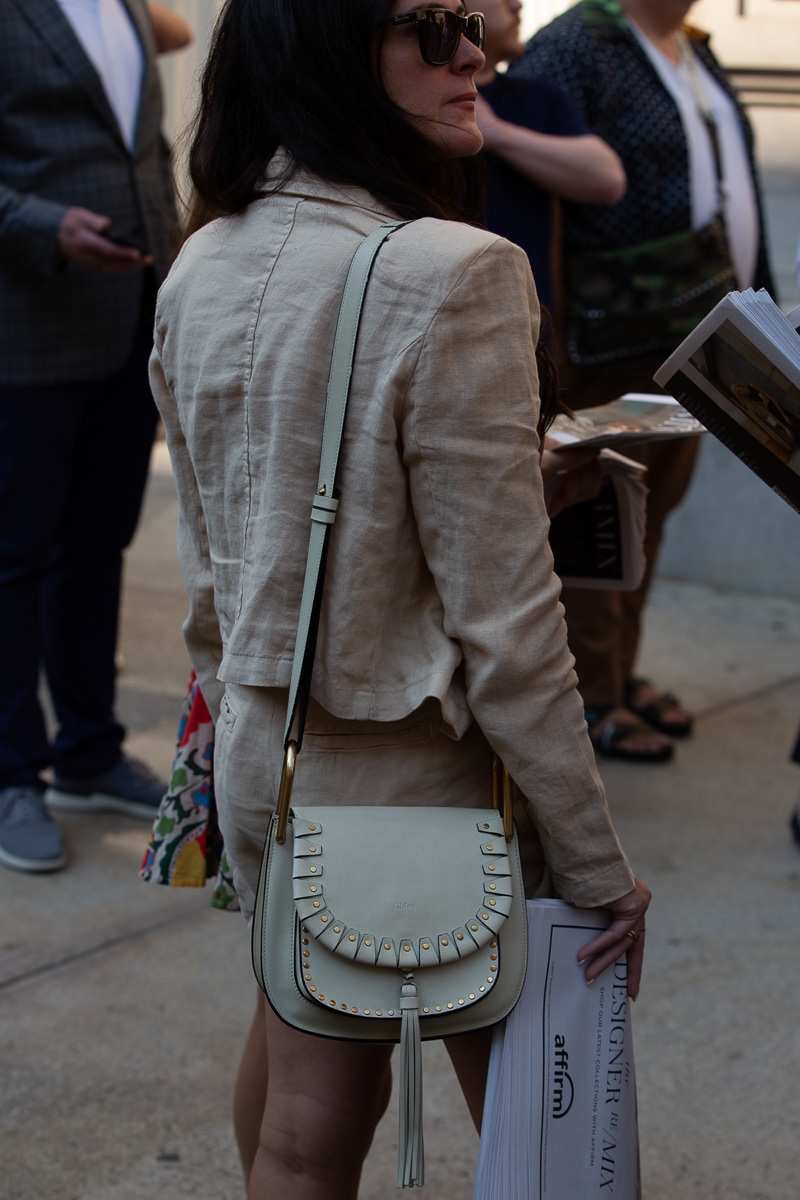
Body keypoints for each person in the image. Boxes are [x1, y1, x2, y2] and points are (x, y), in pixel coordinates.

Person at [149, 3, 651, 1195]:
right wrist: (593, 866)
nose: (475, 50)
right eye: (431, 27)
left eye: (470, 22)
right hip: (429, 789)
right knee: (550, 1137)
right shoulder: (454, 270)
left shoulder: (201, 261)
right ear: (327, 49)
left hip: (271, 761)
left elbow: (217, 564)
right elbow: (512, 634)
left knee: (298, 1123)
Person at [508, 0, 776, 764]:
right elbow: (536, 171)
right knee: (600, 515)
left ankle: (618, 676)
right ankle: (589, 697)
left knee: (649, 516)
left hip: (694, 337)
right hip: (612, 337)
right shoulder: (578, 44)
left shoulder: (691, 46)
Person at [0, 0, 187, 876]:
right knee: (14, 556)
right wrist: (40, 224)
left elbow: (140, 149)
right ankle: (11, 777)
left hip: (132, 312)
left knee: (97, 545)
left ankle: (87, 750)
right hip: (28, 321)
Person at [466, 0, 626, 311]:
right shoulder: (423, 99)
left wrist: (496, 132)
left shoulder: (537, 95)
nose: (517, 4)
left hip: (533, 325)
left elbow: (608, 179)